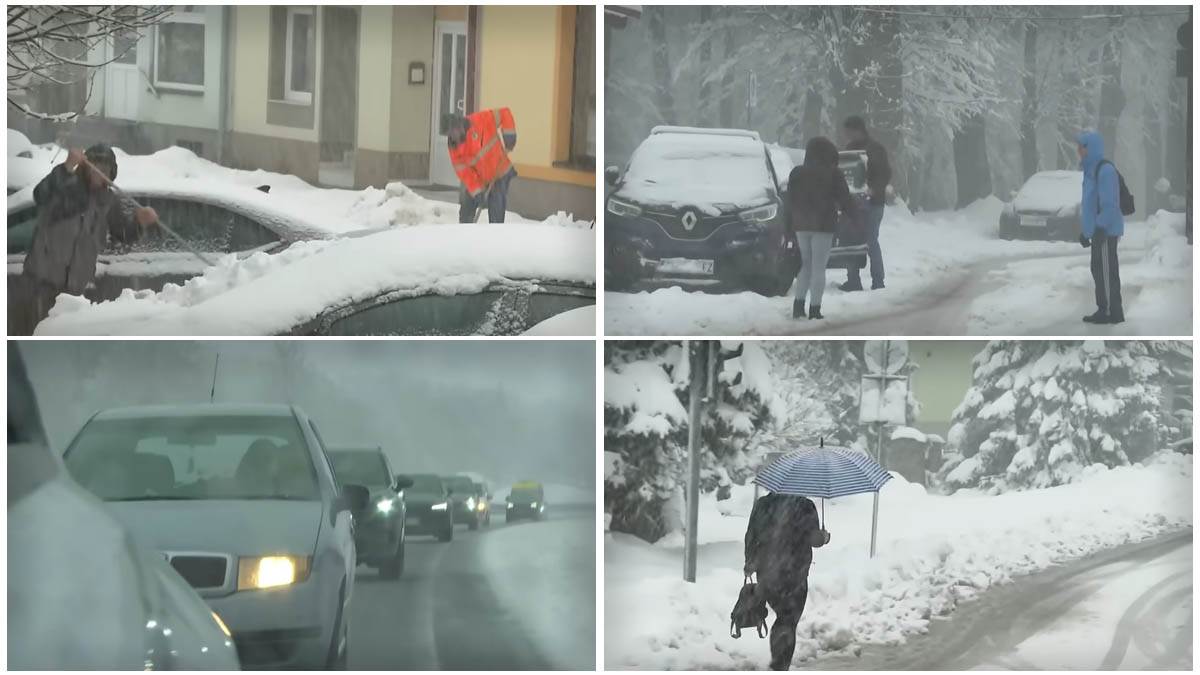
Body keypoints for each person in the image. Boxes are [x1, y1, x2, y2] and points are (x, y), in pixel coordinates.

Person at [16, 143, 157, 334]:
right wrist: (67, 166)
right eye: (95, 166)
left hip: (73, 294)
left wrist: (140, 222)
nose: (99, 172)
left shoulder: (108, 201)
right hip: (38, 283)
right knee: (28, 336)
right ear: (85, 166)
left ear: (111, 172)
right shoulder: (65, 184)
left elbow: (122, 233)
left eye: (104, 168)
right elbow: (40, 194)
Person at [743, 492, 831, 671]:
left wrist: (750, 561)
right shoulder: (805, 506)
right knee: (788, 619)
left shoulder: (763, 504)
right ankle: (780, 664)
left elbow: (750, 535)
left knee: (783, 617)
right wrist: (824, 537)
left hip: (767, 573)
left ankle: (778, 661)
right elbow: (814, 540)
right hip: (795, 574)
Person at [786, 137, 857, 320]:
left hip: (801, 225)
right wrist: (855, 217)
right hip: (823, 226)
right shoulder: (833, 174)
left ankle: (798, 306)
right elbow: (845, 199)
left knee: (805, 265)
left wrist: (789, 224)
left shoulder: (796, 173)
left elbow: (790, 200)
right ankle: (815, 310)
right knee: (819, 268)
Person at [1076, 130, 1125, 324]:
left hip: (1105, 231)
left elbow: (1110, 204)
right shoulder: (1090, 171)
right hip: (1097, 231)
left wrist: (1100, 228)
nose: (1078, 150)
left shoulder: (1104, 170)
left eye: (1082, 147)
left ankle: (1112, 312)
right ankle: (1103, 309)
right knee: (1098, 269)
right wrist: (1086, 232)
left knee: (1106, 271)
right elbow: (1090, 204)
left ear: (1091, 148)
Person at [839, 115, 891, 292]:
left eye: (848, 131)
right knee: (851, 240)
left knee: (870, 240)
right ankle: (853, 280)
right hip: (853, 204)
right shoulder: (848, 150)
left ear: (857, 130)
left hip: (874, 203)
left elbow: (885, 174)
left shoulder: (876, 149)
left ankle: (878, 280)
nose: (846, 135)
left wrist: (873, 189)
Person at [446, 108, 518, 223]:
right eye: (451, 133)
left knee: (496, 209)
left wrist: (509, 134)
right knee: (466, 208)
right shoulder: (454, 147)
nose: (454, 135)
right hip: (479, 178)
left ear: (461, 123)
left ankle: (495, 237)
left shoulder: (481, 120)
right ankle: (465, 235)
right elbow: (464, 173)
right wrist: (477, 191)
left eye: (455, 130)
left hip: (499, 172)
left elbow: (505, 113)